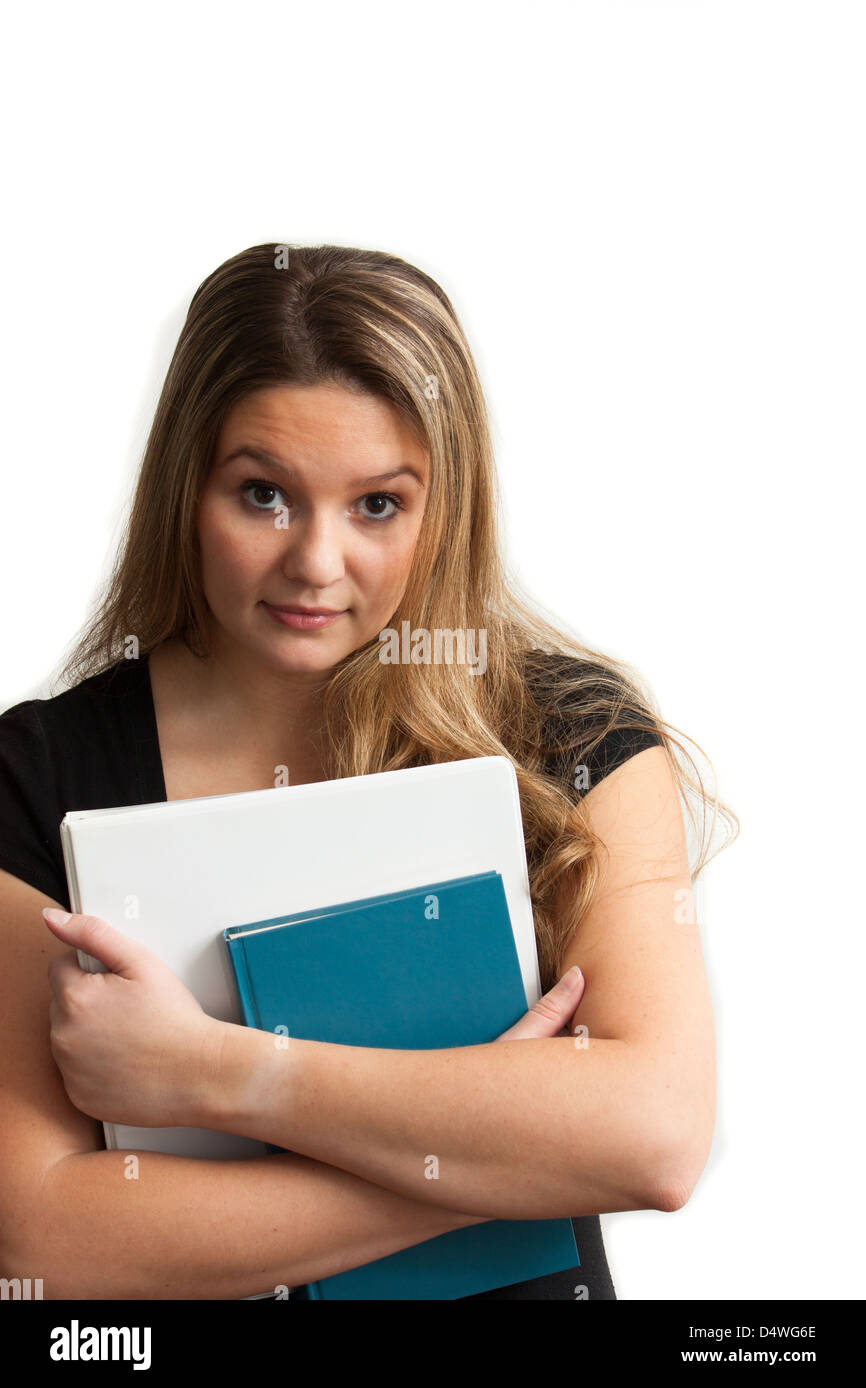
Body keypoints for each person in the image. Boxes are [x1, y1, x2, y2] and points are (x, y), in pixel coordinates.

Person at [0, 243, 736, 1301]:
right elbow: (43, 1242)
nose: (315, 561)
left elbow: (654, 1136)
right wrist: (502, 1159)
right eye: (263, 495)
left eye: (378, 505)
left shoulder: (572, 736)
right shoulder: (38, 773)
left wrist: (218, 1073)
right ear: (184, 489)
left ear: (447, 506)